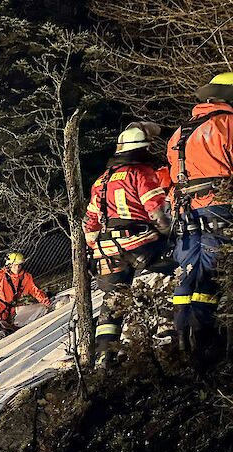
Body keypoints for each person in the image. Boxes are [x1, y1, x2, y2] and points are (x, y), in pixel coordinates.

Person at [83, 122, 173, 367]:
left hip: (106, 253)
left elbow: (90, 222)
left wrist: (95, 249)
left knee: (112, 305)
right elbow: (158, 214)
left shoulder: (101, 181)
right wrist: (170, 235)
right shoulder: (141, 173)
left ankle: (104, 358)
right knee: (170, 277)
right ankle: (167, 341)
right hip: (142, 245)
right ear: (142, 149)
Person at [167, 73, 233, 362]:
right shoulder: (227, 124)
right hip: (220, 207)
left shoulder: (180, 133)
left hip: (185, 212)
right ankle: (210, 343)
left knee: (189, 274)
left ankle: (183, 338)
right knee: (217, 273)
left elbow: (174, 175)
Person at [0, 251, 51, 350]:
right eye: (15, 265)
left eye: (19, 265)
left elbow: (35, 291)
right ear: (10, 265)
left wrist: (47, 303)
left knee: (8, 329)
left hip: (9, 309)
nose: (17, 268)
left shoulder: (26, 278)